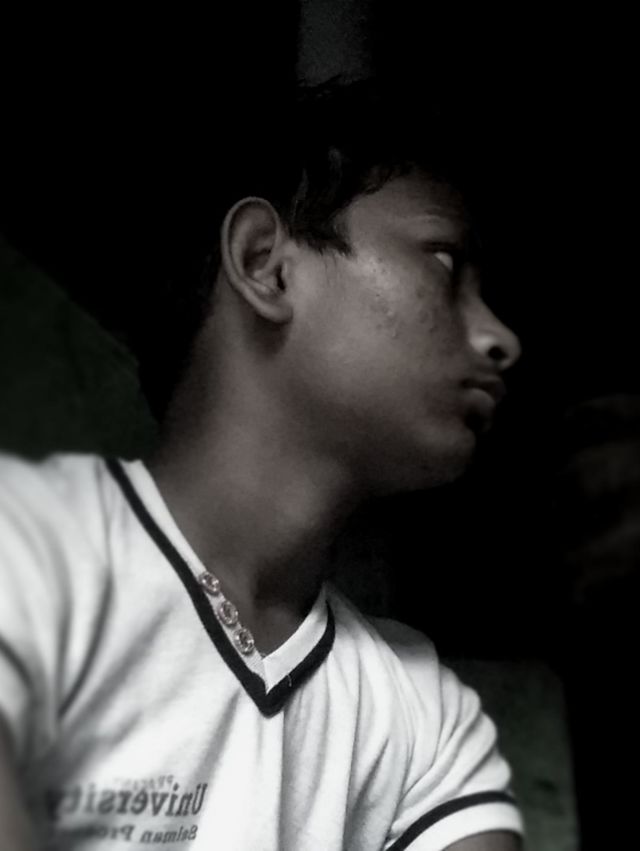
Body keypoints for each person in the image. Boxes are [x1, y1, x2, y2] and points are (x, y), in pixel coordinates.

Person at [0, 81, 524, 850]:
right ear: (266, 264)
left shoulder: (427, 719)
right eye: (445, 265)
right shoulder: (25, 559)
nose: (501, 337)